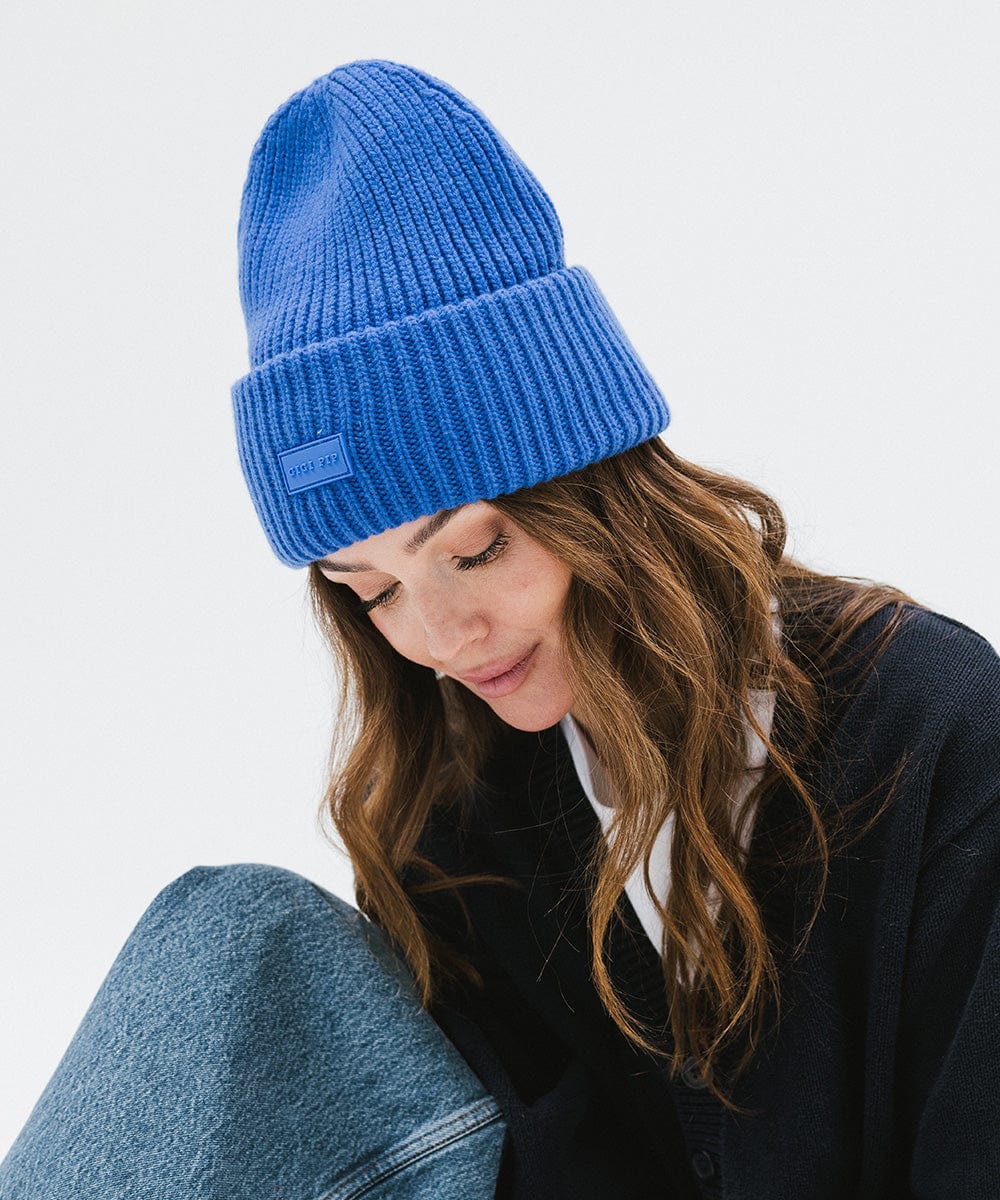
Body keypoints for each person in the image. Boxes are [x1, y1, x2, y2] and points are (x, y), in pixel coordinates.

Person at [2, 58, 997, 1200]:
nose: (439, 638)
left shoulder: (929, 728)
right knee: (233, 942)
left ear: (601, 493)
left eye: (474, 550)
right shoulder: (454, 815)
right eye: (367, 590)